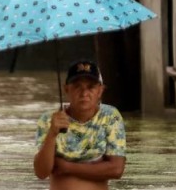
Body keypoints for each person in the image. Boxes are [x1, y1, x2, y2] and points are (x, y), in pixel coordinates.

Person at [33, 60, 126, 190]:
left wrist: (67, 167)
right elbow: (41, 173)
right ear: (66, 89)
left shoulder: (110, 116)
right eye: (77, 86)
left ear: (100, 90)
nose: (84, 94)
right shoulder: (49, 119)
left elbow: (116, 170)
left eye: (90, 87)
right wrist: (52, 133)